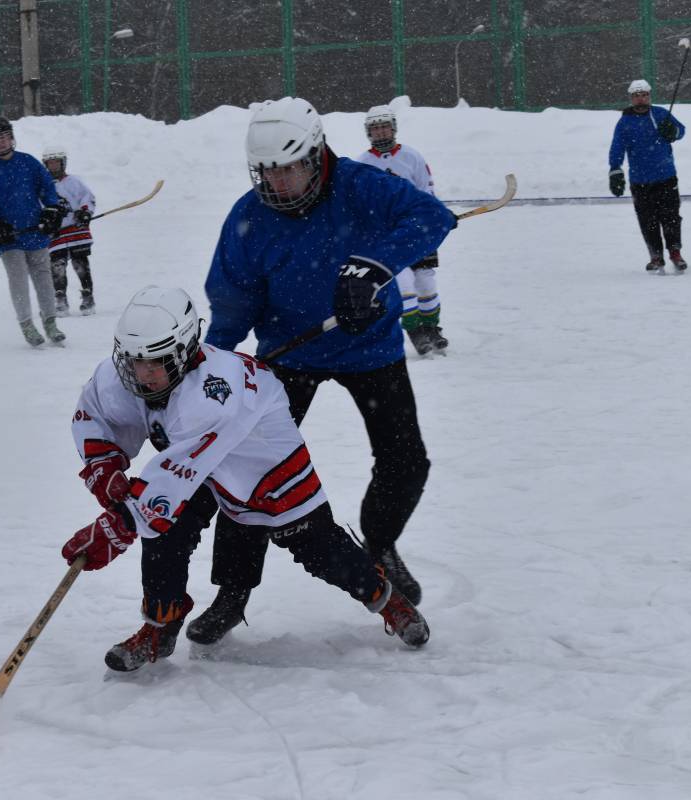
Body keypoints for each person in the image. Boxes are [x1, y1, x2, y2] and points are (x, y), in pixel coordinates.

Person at [189, 96, 456, 647]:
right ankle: (232, 594)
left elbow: (433, 217)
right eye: (266, 172)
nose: (277, 184)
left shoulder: (361, 185)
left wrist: (375, 266)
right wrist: (206, 374)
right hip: (288, 356)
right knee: (248, 476)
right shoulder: (248, 218)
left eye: (288, 169)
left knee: (407, 462)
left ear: (316, 156)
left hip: (371, 350)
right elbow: (232, 305)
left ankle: (379, 544)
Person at [61, 287, 430, 672]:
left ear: (186, 350)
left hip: (267, 468)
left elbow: (170, 479)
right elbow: (96, 415)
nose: (141, 374)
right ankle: (159, 626)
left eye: (155, 363)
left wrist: (116, 526)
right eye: (133, 361)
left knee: (323, 554)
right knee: (164, 533)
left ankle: (385, 598)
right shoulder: (127, 375)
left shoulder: (212, 396)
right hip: (199, 466)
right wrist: (103, 466)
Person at [355, 105, 448, 356]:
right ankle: (415, 332)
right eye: (375, 129)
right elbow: (359, 201)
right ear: (368, 133)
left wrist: (436, 216)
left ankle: (432, 329)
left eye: (384, 127)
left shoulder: (412, 157)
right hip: (388, 236)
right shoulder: (362, 164)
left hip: (417, 231)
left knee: (426, 283)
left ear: (393, 128)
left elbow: (426, 191)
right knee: (405, 284)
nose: (381, 133)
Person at [0, 117, 69, 346]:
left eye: (3, 136)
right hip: (8, 238)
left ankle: (50, 322)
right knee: (18, 280)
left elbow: (47, 189)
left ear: (12, 138)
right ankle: (27, 324)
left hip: (36, 232)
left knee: (43, 278)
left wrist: (52, 210)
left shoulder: (28, 163)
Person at [608, 79, 687, 273]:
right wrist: (615, 169)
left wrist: (672, 131)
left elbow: (681, 131)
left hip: (667, 177)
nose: (641, 99)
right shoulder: (625, 122)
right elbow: (617, 147)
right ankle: (656, 256)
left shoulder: (660, 114)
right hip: (640, 181)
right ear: (631, 99)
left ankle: (675, 253)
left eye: (644, 95)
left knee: (671, 218)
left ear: (649, 96)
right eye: (636, 96)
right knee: (647, 221)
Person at [41, 146, 97, 316]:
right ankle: (60, 297)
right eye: (50, 164)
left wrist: (85, 211)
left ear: (63, 163)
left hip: (76, 230)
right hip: (56, 233)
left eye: (56, 163)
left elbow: (87, 197)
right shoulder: (43, 187)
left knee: (80, 263)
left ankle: (88, 296)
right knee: (57, 266)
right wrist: (44, 220)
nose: (54, 166)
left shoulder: (73, 182)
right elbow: (39, 206)